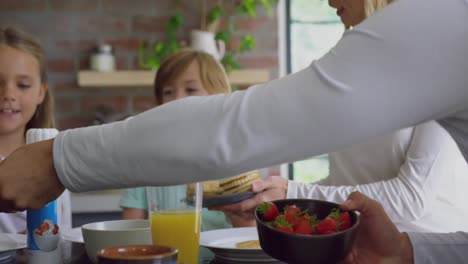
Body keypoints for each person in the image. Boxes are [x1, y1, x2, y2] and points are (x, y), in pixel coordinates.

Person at [0, 0, 467, 262]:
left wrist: (60, 158)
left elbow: (237, 127)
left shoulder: (438, 19)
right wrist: (409, 251)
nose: (327, 1)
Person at [213, 0, 468, 234]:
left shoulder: (439, 62)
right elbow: (344, 183)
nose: (330, 2)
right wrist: (277, 199)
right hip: (362, 251)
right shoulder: (352, 68)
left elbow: (412, 199)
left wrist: (294, 194)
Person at [119, 49, 238, 261]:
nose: (177, 100)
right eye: (168, 92)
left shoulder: (233, 158)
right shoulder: (144, 157)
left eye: (191, 89)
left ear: (220, 97)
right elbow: (132, 235)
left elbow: (246, 234)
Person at [0, 26, 71, 233]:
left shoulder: (53, 160)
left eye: (22, 85)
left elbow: (61, 237)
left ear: (41, 92)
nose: (8, 94)